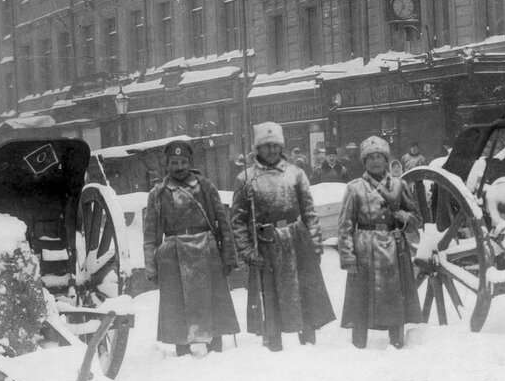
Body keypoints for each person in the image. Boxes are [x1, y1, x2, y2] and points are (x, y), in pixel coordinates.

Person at [231, 122, 335, 351]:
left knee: (305, 295)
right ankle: (275, 348)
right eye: (266, 146)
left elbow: (309, 212)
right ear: (257, 148)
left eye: (275, 145)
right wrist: (247, 251)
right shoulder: (245, 178)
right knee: (272, 300)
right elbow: (237, 221)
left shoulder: (296, 174)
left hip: (297, 240)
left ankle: (309, 345)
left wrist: (316, 244)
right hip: (266, 243)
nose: (271, 150)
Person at [143, 140, 240, 356]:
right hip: (173, 253)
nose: (179, 167)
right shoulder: (158, 194)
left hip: (206, 249)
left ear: (190, 162)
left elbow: (223, 223)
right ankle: (182, 351)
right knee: (178, 304)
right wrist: (152, 267)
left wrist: (229, 256)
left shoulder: (205, 187)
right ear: (166, 164)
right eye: (174, 162)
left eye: (184, 162)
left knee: (213, 300)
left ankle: (215, 348)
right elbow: (150, 235)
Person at [337, 136, 423, 349]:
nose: (375, 162)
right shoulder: (355, 188)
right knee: (361, 299)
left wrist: (404, 216)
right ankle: (359, 345)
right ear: (364, 162)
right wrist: (348, 257)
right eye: (370, 158)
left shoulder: (400, 185)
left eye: (379, 157)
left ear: (386, 160)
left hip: (394, 248)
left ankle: (397, 342)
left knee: (395, 296)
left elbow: (416, 219)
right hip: (364, 248)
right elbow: (345, 226)